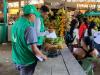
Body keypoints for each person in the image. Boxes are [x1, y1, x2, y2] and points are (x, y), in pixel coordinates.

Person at [11, 5, 47, 75]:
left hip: (16, 57)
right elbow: (34, 49)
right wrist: (43, 56)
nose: (35, 17)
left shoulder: (16, 24)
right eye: (35, 15)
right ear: (30, 15)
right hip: (26, 60)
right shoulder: (29, 28)